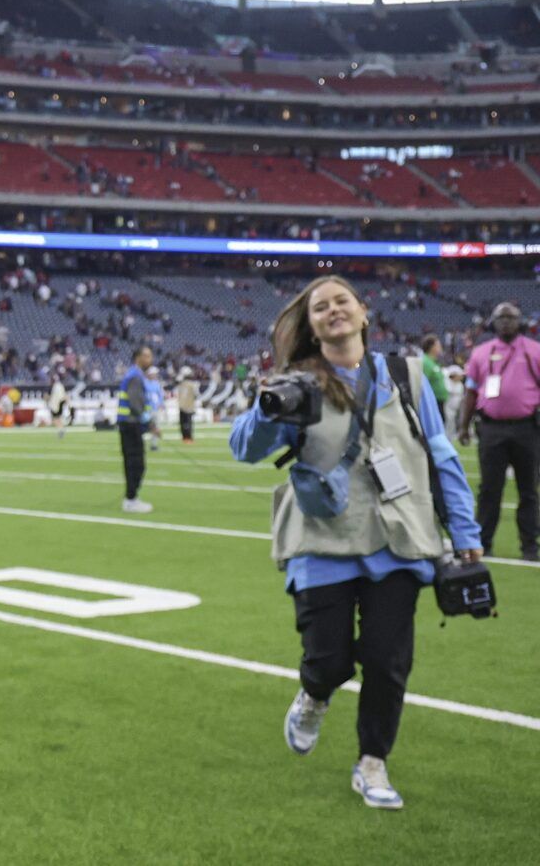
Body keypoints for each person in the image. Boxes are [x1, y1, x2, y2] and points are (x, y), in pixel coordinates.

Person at [228, 276, 481, 810]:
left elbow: (442, 455)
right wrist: (268, 407)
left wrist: (464, 531)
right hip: (324, 539)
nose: (333, 310)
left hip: (400, 538)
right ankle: (315, 695)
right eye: (321, 307)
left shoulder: (406, 374)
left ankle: (372, 763)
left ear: (364, 313)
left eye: (342, 301)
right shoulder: (298, 383)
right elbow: (244, 450)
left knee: (388, 662)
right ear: (312, 325)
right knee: (329, 659)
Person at [456, 302, 540, 561]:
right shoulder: (481, 353)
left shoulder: (535, 351)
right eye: (501, 318)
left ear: (520, 322)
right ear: (492, 322)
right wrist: (463, 425)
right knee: (490, 489)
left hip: (527, 428)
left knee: (528, 489)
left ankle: (529, 546)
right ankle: (484, 542)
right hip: (491, 428)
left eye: (511, 318)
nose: (506, 322)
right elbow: (470, 392)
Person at [116, 345, 154, 513]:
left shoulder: (134, 374)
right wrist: (149, 423)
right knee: (136, 463)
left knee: (133, 462)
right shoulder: (135, 376)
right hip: (131, 424)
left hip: (128, 424)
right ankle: (131, 499)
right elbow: (136, 402)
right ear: (138, 357)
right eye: (147, 356)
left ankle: (131, 498)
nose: (150, 360)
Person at [175, 366, 199, 444]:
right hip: (186, 406)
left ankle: (187, 437)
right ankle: (187, 437)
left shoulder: (187, 384)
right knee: (186, 423)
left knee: (186, 423)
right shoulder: (189, 384)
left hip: (186, 406)